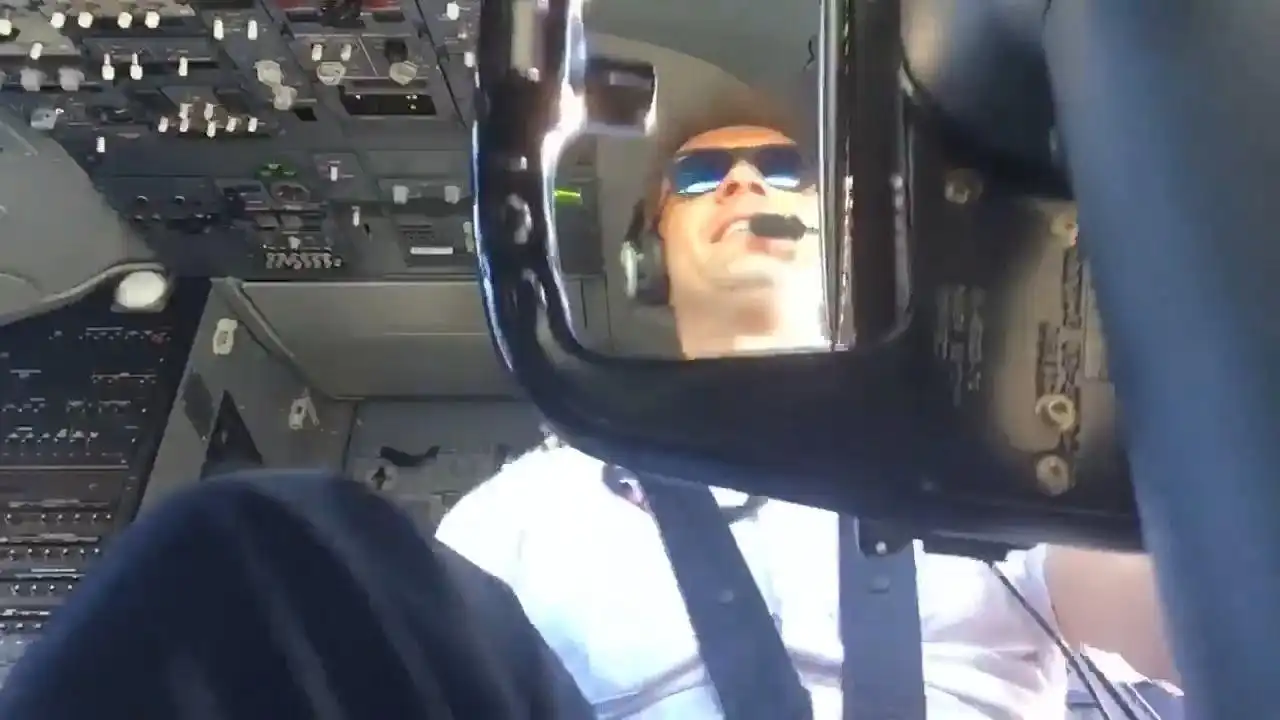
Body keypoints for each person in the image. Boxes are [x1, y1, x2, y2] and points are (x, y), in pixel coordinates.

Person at [436, 88, 1180, 718]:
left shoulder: (987, 455)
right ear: (647, 257)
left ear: (840, 233)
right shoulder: (518, 512)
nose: (743, 183)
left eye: (782, 170)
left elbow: (1188, 620)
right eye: (700, 176)